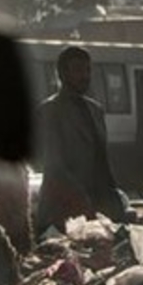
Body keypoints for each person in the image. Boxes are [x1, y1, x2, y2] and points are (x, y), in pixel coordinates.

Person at [33, 45, 132, 233]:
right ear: (62, 74)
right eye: (78, 69)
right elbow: (54, 166)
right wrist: (80, 199)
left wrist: (114, 203)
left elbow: (102, 160)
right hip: (62, 210)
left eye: (88, 70)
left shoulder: (95, 110)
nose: (85, 76)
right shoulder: (50, 111)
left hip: (99, 206)